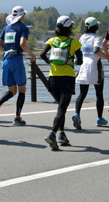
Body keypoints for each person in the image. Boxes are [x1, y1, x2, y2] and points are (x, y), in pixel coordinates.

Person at [40, 16, 83, 150]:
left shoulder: (52, 41)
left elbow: (42, 55)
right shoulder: (74, 42)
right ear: (69, 28)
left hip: (52, 78)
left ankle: (62, 135)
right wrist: (72, 62)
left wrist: (50, 63)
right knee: (62, 109)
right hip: (67, 78)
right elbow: (80, 61)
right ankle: (52, 134)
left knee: (61, 107)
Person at [0, 6, 36, 125]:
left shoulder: (6, 28)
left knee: (12, 90)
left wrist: (7, 49)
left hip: (6, 60)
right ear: (22, 16)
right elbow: (22, 43)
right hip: (17, 60)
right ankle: (17, 117)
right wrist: (31, 53)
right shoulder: (23, 28)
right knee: (22, 89)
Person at [73, 17, 109, 130]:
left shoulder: (82, 37)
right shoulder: (98, 38)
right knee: (99, 93)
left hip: (83, 66)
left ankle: (77, 114)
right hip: (95, 66)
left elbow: (79, 52)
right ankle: (99, 118)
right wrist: (108, 57)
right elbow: (96, 50)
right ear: (96, 27)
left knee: (82, 93)